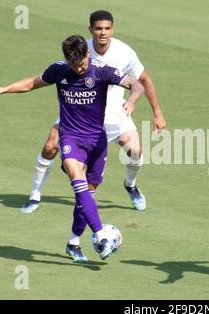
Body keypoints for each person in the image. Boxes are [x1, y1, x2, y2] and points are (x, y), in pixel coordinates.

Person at [0, 35, 145, 261]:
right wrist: (4, 89)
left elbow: (136, 85)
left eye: (82, 63)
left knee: (87, 195)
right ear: (67, 60)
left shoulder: (102, 70)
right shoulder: (59, 70)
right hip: (70, 138)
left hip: (97, 141)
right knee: (77, 183)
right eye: (74, 65)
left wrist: (131, 100)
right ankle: (101, 234)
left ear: (88, 54)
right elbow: (32, 83)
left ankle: (73, 243)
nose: (79, 68)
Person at [20, 10, 166, 214]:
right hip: (78, 112)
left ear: (112, 29)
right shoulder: (80, 48)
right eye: (98, 29)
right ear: (91, 30)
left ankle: (130, 186)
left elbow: (144, 81)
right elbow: (59, 71)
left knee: (135, 152)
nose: (103, 33)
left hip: (115, 112)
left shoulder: (125, 52)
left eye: (107, 28)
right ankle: (34, 196)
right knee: (50, 146)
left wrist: (156, 112)